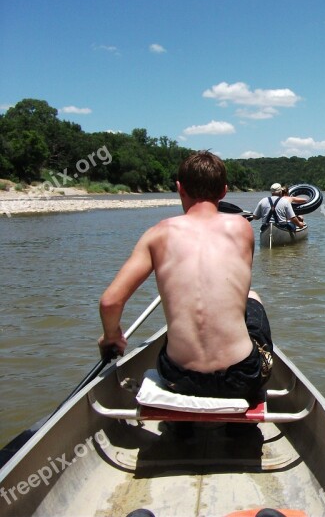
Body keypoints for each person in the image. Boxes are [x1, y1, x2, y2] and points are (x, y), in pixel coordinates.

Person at [97, 151, 273, 400]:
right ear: (223, 192)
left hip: (178, 379)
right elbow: (238, 291)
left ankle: (182, 428)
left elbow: (110, 302)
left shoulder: (157, 234)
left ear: (179, 188)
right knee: (252, 298)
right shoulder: (242, 228)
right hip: (241, 378)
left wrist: (111, 337)